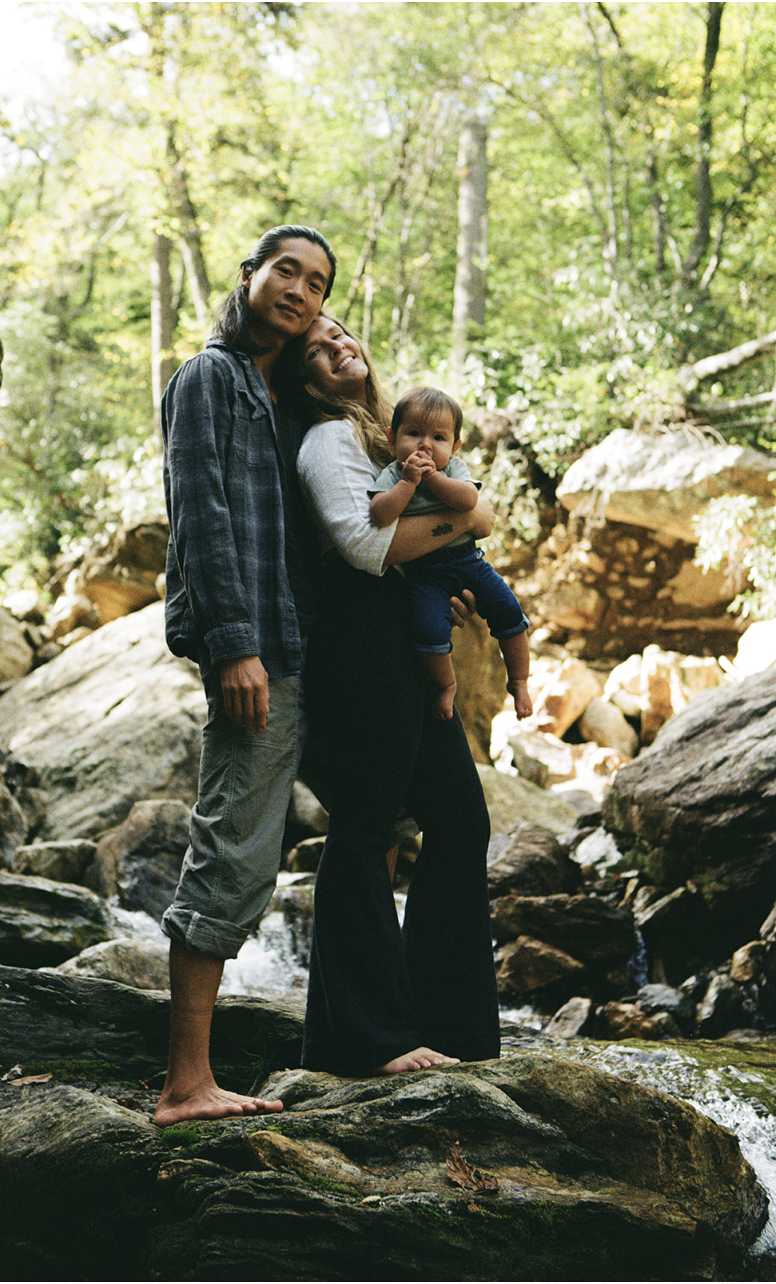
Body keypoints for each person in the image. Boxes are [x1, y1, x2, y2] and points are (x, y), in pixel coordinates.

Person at [154, 225, 336, 1125]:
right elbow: (200, 513)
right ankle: (186, 1085)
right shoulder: (210, 378)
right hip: (252, 650)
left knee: (268, 848)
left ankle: (356, 1034)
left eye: (316, 284)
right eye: (285, 272)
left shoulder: (283, 396)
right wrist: (232, 643)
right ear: (250, 277)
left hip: (298, 650)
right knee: (230, 847)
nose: (298, 291)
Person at [287, 314, 502, 1076]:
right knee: (367, 827)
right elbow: (363, 545)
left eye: (342, 333)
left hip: (404, 646)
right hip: (359, 650)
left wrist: (453, 539)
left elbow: (472, 517)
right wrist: (462, 519)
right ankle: (369, 1040)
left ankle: (452, 1026)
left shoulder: (391, 435)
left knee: (459, 818)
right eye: (317, 348)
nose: (340, 346)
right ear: (302, 375)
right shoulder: (326, 440)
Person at [369, 385, 532, 722]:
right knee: (429, 633)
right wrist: (407, 484)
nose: (425, 444)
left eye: (438, 438)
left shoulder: (453, 470)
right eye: (413, 434)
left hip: (470, 564)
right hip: (424, 576)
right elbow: (380, 515)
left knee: (508, 611)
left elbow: (468, 502)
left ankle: (519, 680)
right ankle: (446, 686)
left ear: (455, 446)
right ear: (391, 437)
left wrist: (431, 479)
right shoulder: (392, 475)